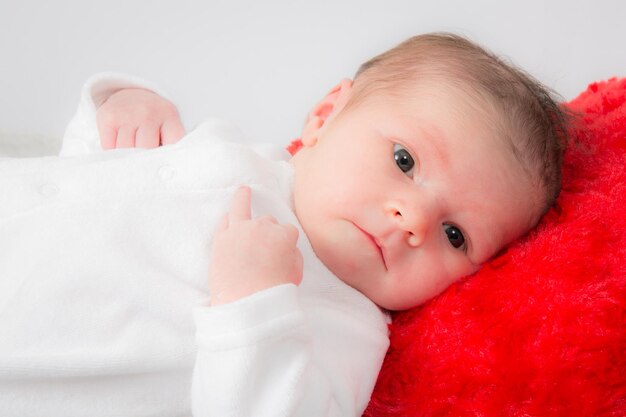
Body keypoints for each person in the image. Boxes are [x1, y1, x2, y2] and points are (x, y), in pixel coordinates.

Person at [0, 33, 568, 416]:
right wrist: (117, 108)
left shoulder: (347, 328)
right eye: (404, 161)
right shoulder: (227, 149)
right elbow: (81, 177)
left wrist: (253, 303)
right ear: (325, 117)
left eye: (455, 235)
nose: (413, 220)